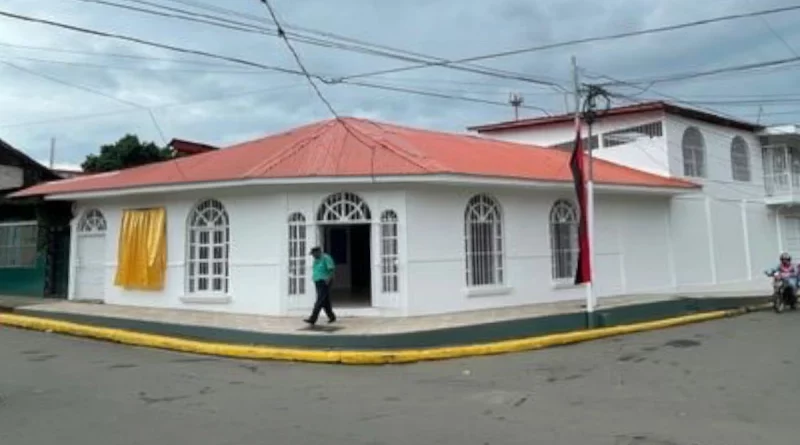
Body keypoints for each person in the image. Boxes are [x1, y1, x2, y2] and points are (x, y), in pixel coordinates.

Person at [304, 246, 336, 325]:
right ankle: (331, 316)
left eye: (314, 254)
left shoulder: (326, 258)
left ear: (318, 252)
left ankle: (313, 318)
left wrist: (328, 279)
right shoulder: (316, 260)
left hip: (325, 281)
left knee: (319, 301)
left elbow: (331, 269)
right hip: (318, 281)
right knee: (325, 300)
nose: (313, 256)